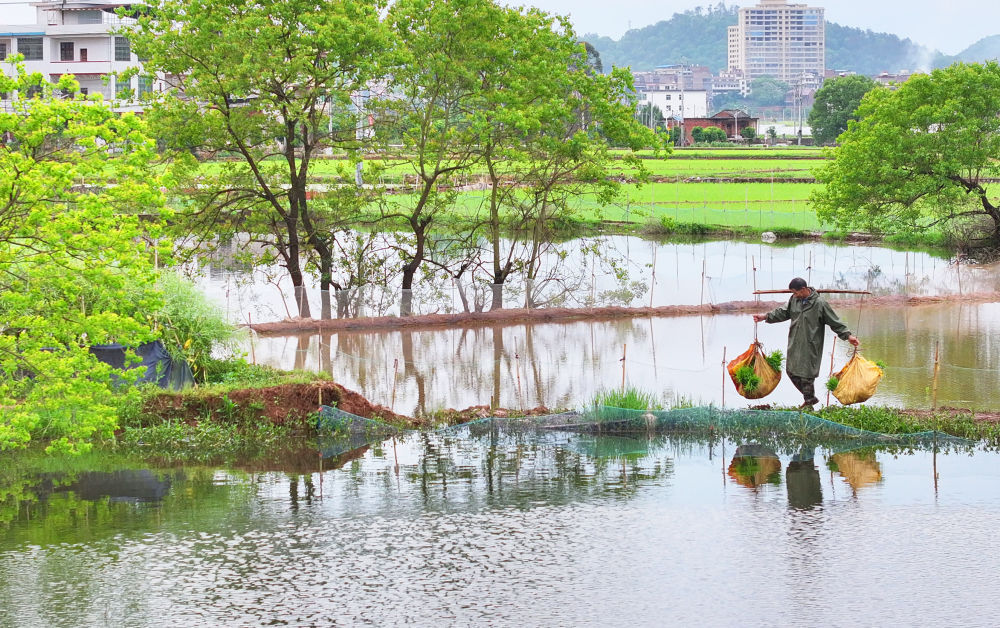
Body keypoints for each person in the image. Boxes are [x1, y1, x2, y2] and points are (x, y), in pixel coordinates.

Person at [752, 277, 859, 409]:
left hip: (811, 344)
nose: (794, 295)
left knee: (807, 375)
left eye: (795, 292)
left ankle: (808, 402)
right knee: (791, 371)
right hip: (795, 342)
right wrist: (764, 317)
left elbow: (834, 322)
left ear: (803, 289)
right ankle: (810, 398)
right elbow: (783, 312)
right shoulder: (794, 300)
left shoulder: (819, 304)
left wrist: (848, 336)